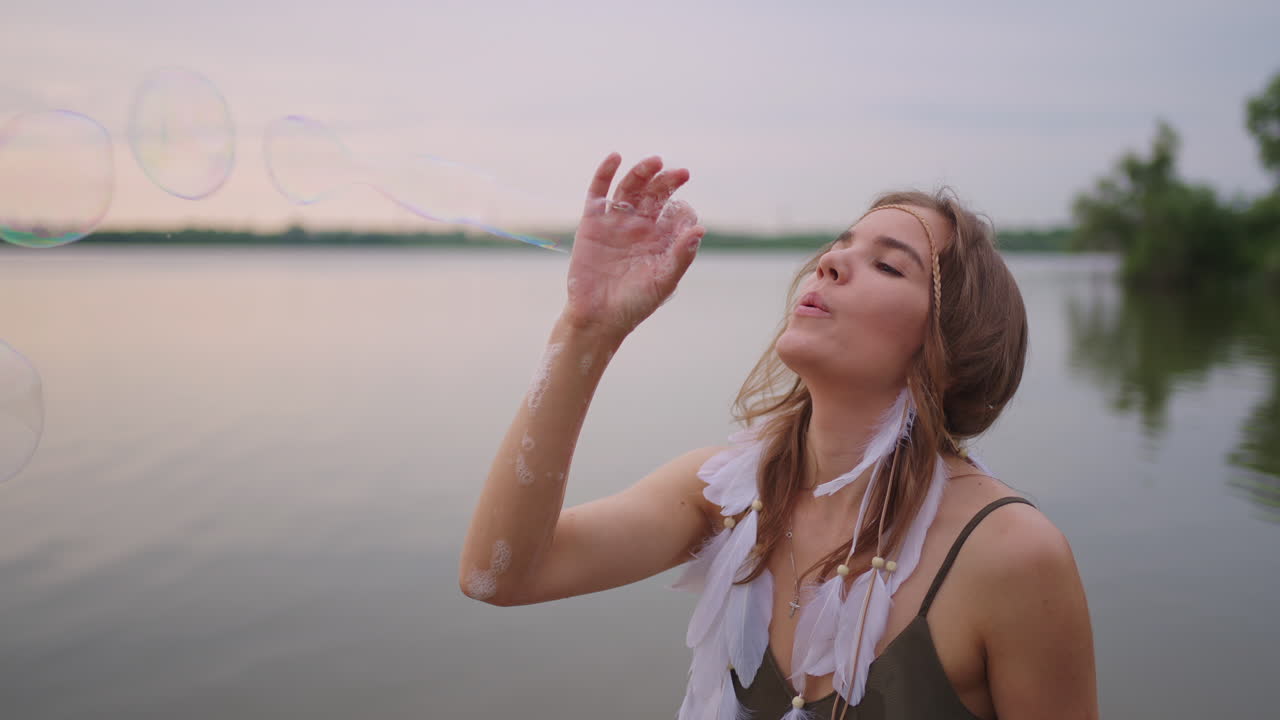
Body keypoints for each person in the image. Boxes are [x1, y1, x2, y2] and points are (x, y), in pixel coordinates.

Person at [458, 153, 1098, 720]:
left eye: (887, 265)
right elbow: (500, 576)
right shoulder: (726, 493)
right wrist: (586, 330)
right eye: (840, 245)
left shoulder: (1011, 554)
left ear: (950, 348)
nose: (833, 261)